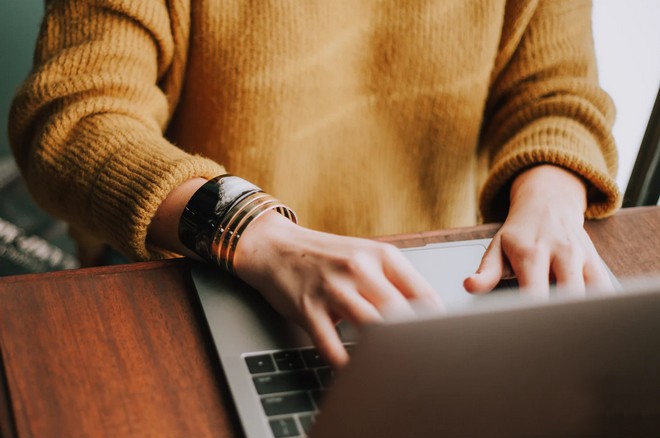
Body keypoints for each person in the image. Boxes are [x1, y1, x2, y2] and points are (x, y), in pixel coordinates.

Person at [9, 0, 620, 367]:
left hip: (433, 289)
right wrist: (250, 230)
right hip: (199, 267)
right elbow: (73, 116)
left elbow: (556, 95)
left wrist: (553, 195)